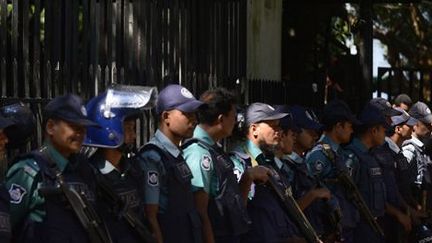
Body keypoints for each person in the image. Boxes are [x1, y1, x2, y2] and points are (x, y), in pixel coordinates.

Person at [5, 94, 108, 243]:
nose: (80, 134)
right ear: (51, 127)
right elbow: (5, 226)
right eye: (74, 126)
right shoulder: (29, 171)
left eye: (83, 128)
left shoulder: (85, 170)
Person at [182, 88, 269, 243]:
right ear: (221, 119)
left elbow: (232, 204)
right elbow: (200, 213)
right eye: (234, 117)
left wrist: (247, 178)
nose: (235, 122)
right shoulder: (199, 154)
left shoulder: (215, 151)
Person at [84, 85, 157, 243]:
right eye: (129, 129)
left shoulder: (134, 169)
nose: (134, 135)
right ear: (109, 130)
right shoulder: (91, 174)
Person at [230, 102, 306, 243]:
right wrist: (248, 178)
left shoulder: (267, 161)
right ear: (254, 130)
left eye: (279, 126)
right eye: (273, 126)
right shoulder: (240, 161)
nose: (279, 131)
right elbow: (237, 211)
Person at [138, 84, 204, 243]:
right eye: (187, 114)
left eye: (194, 114)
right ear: (166, 116)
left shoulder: (176, 154)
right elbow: (150, 215)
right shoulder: (152, 157)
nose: (194, 120)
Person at [305, 100, 359, 243]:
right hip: (328, 231)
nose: (351, 130)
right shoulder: (319, 155)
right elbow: (311, 194)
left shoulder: (339, 153)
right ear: (338, 126)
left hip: (344, 226)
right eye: (349, 126)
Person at [344, 104, 388, 243]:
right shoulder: (352, 156)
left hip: (372, 227)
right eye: (383, 130)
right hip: (359, 230)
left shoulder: (370, 155)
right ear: (374, 130)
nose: (385, 135)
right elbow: (347, 196)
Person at [402, 102, 432, 211]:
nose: (431, 127)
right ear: (414, 125)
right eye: (427, 124)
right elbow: (400, 184)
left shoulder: (421, 148)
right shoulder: (409, 149)